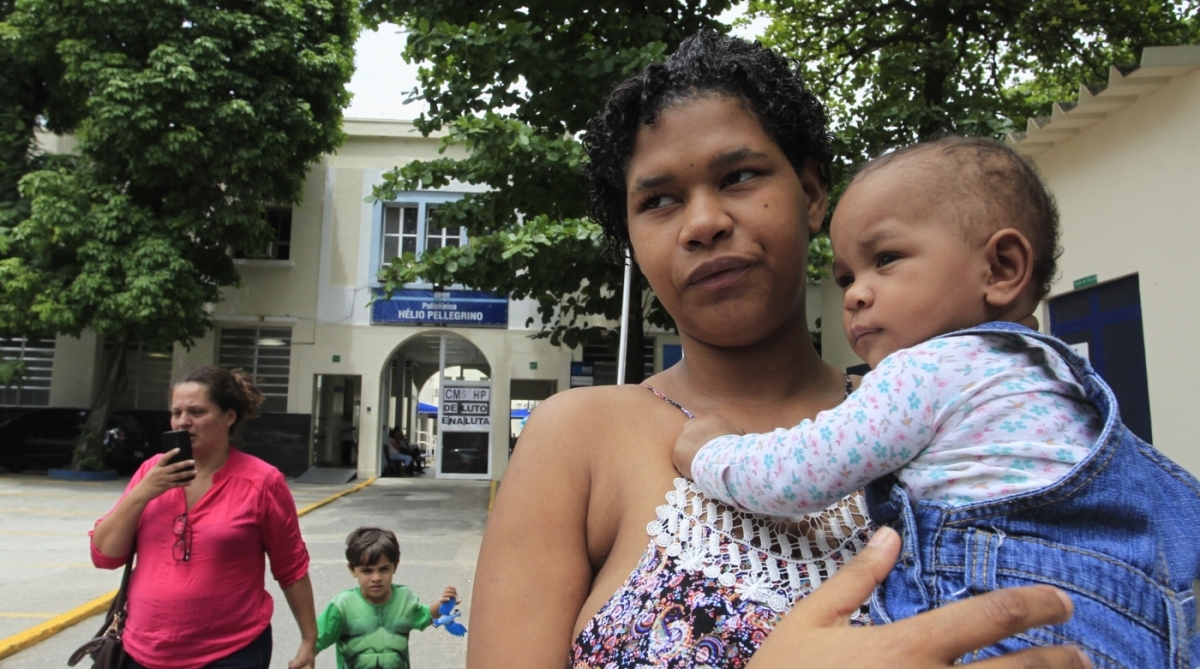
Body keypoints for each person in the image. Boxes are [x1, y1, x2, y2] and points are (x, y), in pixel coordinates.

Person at [467, 30, 1090, 669]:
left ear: (813, 194)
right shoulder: (580, 438)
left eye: (739, 176)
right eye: (658, 201)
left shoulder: (953, 418)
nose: (703, 222)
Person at [674, 135, 1200, 666]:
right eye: (846, 277)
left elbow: (797, 474)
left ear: (1001, 267)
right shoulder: (1057, 378)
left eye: (886, 259)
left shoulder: (926, 370)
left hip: (1006, 633)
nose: (855, 294)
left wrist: (711, 453)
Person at [90, 366, 317, 669]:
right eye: (176, 412)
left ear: (229, 416)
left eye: (196, 412)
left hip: (232, 652)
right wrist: (142, 493)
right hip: (141, 650)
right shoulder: (150, 473)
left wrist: (308, 641)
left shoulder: (262, 483)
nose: (184, 421)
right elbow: (104, 556)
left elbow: (291, 567)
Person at [316, 527, 458, 669]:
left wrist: (442, 605)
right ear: (352, 569)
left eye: (383, 569)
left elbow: (424, 616)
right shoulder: (343, 606)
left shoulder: (404, 600)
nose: (376, 578)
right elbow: (313, 641)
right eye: (367, 571)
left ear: (395, 566)